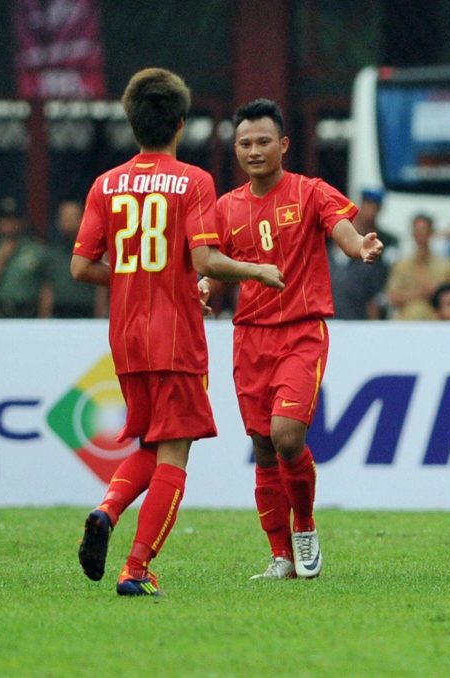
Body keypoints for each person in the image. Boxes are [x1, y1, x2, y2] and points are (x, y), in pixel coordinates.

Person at [72, 70, 283, 597]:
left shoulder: (106, 183)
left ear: (132, 121)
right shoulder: (193, 181)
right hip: (174, 334)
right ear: (181, 124)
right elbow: (206, 258)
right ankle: (136, 569)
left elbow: (80, 266)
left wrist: (132, 275)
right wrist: (257, 271)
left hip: (126, 337)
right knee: (176, 451)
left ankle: (107, 509)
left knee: (155, 441)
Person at [205, 98, 383, 580]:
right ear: (236, 150)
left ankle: (304, 528)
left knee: (287, 437)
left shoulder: (310, 192)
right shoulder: (226, 207)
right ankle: (280, 555)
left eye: (263, 141)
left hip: (302, 332)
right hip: (249, 338)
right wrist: (205, 288)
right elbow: (216, 266)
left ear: (283, 145)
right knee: (263, 446)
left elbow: (342, 231)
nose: (254, 150)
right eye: (245, 143)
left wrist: (359, 245)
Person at [0, 197, 53, 318]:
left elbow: (46, 287)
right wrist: (3, 256)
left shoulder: (36, 250)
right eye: (5, 219)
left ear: (23, 222)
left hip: (27, 314)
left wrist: (43, 319)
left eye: (14, 219)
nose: (9, 224)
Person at [330, 187, 391, 319]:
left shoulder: (365, 261)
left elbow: (372, 300)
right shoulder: (322, 256)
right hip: (327, 325)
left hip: (356, 324)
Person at [385, 213, 450, 320]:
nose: (420, 235)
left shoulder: (444, 265)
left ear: (431, 233)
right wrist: (420, 293)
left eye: (424, 231)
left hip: (435, 323)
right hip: (407, 323)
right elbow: (393, 298)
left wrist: (435, 292)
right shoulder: (401, 266)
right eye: (417, 231)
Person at [47, 199, 104, 318]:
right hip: (59, 312)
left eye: (72, 217)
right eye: (63, 216)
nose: (67, 221)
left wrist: (99, 317)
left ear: (83, 219)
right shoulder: (53, 252)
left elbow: (101, 289)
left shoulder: (97, 250)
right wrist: (44, 319)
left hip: (86, 311)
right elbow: (48, 287)